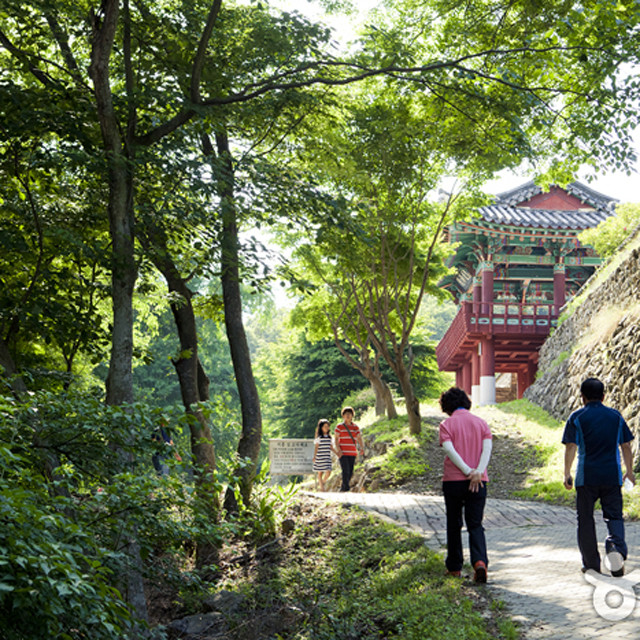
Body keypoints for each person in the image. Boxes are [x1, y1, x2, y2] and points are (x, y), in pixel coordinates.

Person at [562, 377, 635, 576]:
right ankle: (615, 550)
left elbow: (571, 446)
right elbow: (626, 445)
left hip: (587, 477)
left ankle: (591, 564)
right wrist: (629, 471)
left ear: (582, 397)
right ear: (603, 396)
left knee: (585, 519)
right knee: (614, 516)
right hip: (612, 475)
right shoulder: (616, 417)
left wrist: (567, 473)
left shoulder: (577, 417)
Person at [438, 387, 493, 583]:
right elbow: (487, 450)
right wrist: (477, 471)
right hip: (479, 481)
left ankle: (454, 567)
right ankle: (479, 562)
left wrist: (467, 471)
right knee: (475, 524)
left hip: (453, 481)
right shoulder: (482, 423)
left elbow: (450, 451)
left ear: (446, 406)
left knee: (454, 524)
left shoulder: (446, 425)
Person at [334, 406, 364, 492]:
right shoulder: (339, 427)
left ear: (352, 415)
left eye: (349, 414)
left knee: (350, 472)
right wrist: (338, 450)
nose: (348, 416)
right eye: (346, 414)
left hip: (352, 452)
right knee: (345, 470)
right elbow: (336, 439)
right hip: (343, 453)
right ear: (343, 416)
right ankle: (345, 488)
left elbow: (359, 438)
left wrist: (361, 448)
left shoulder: (355, 427)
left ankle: (343, 488)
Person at [312, 419, 338, 491]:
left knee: (328, 472)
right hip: (320, 457)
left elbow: (331, 447)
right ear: (321, 428)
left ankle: (322, 483)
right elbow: (316, 447)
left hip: (327, 457)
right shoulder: (319, 438)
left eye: (328, 426)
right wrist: (314, 457)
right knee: (320, 473)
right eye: (325, 426)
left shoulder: (329, 437)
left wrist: (337, 453)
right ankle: (322, 489)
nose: (327, 428)